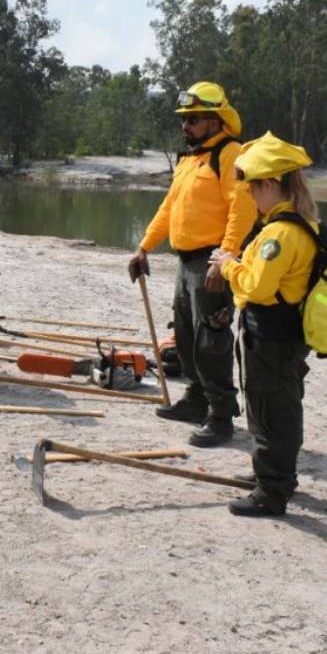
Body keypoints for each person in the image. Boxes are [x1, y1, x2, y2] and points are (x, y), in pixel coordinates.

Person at [128, 81, 257, 447]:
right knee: (184, 336)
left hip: (212, 263)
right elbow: (169, 208)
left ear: (216, 121)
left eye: (194, 119)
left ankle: (221, 415)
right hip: (186, 265)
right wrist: (144, 247)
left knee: (211, 341)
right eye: (184, 119)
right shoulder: (191, 159)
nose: (185, 126)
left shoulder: (230, 154)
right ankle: (197, 400)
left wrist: (225, 256)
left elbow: (242, 208)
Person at [208, 132, 318, 517]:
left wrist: (228, 265)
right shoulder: (292, 225)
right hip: (274, 335)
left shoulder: (280, 233)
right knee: (269, 405)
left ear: (271, 185)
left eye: (253, 189)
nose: (251, 198)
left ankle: (272, 492)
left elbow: (258, 284)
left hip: (273, 335)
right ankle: (269, 476)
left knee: (274, 409)